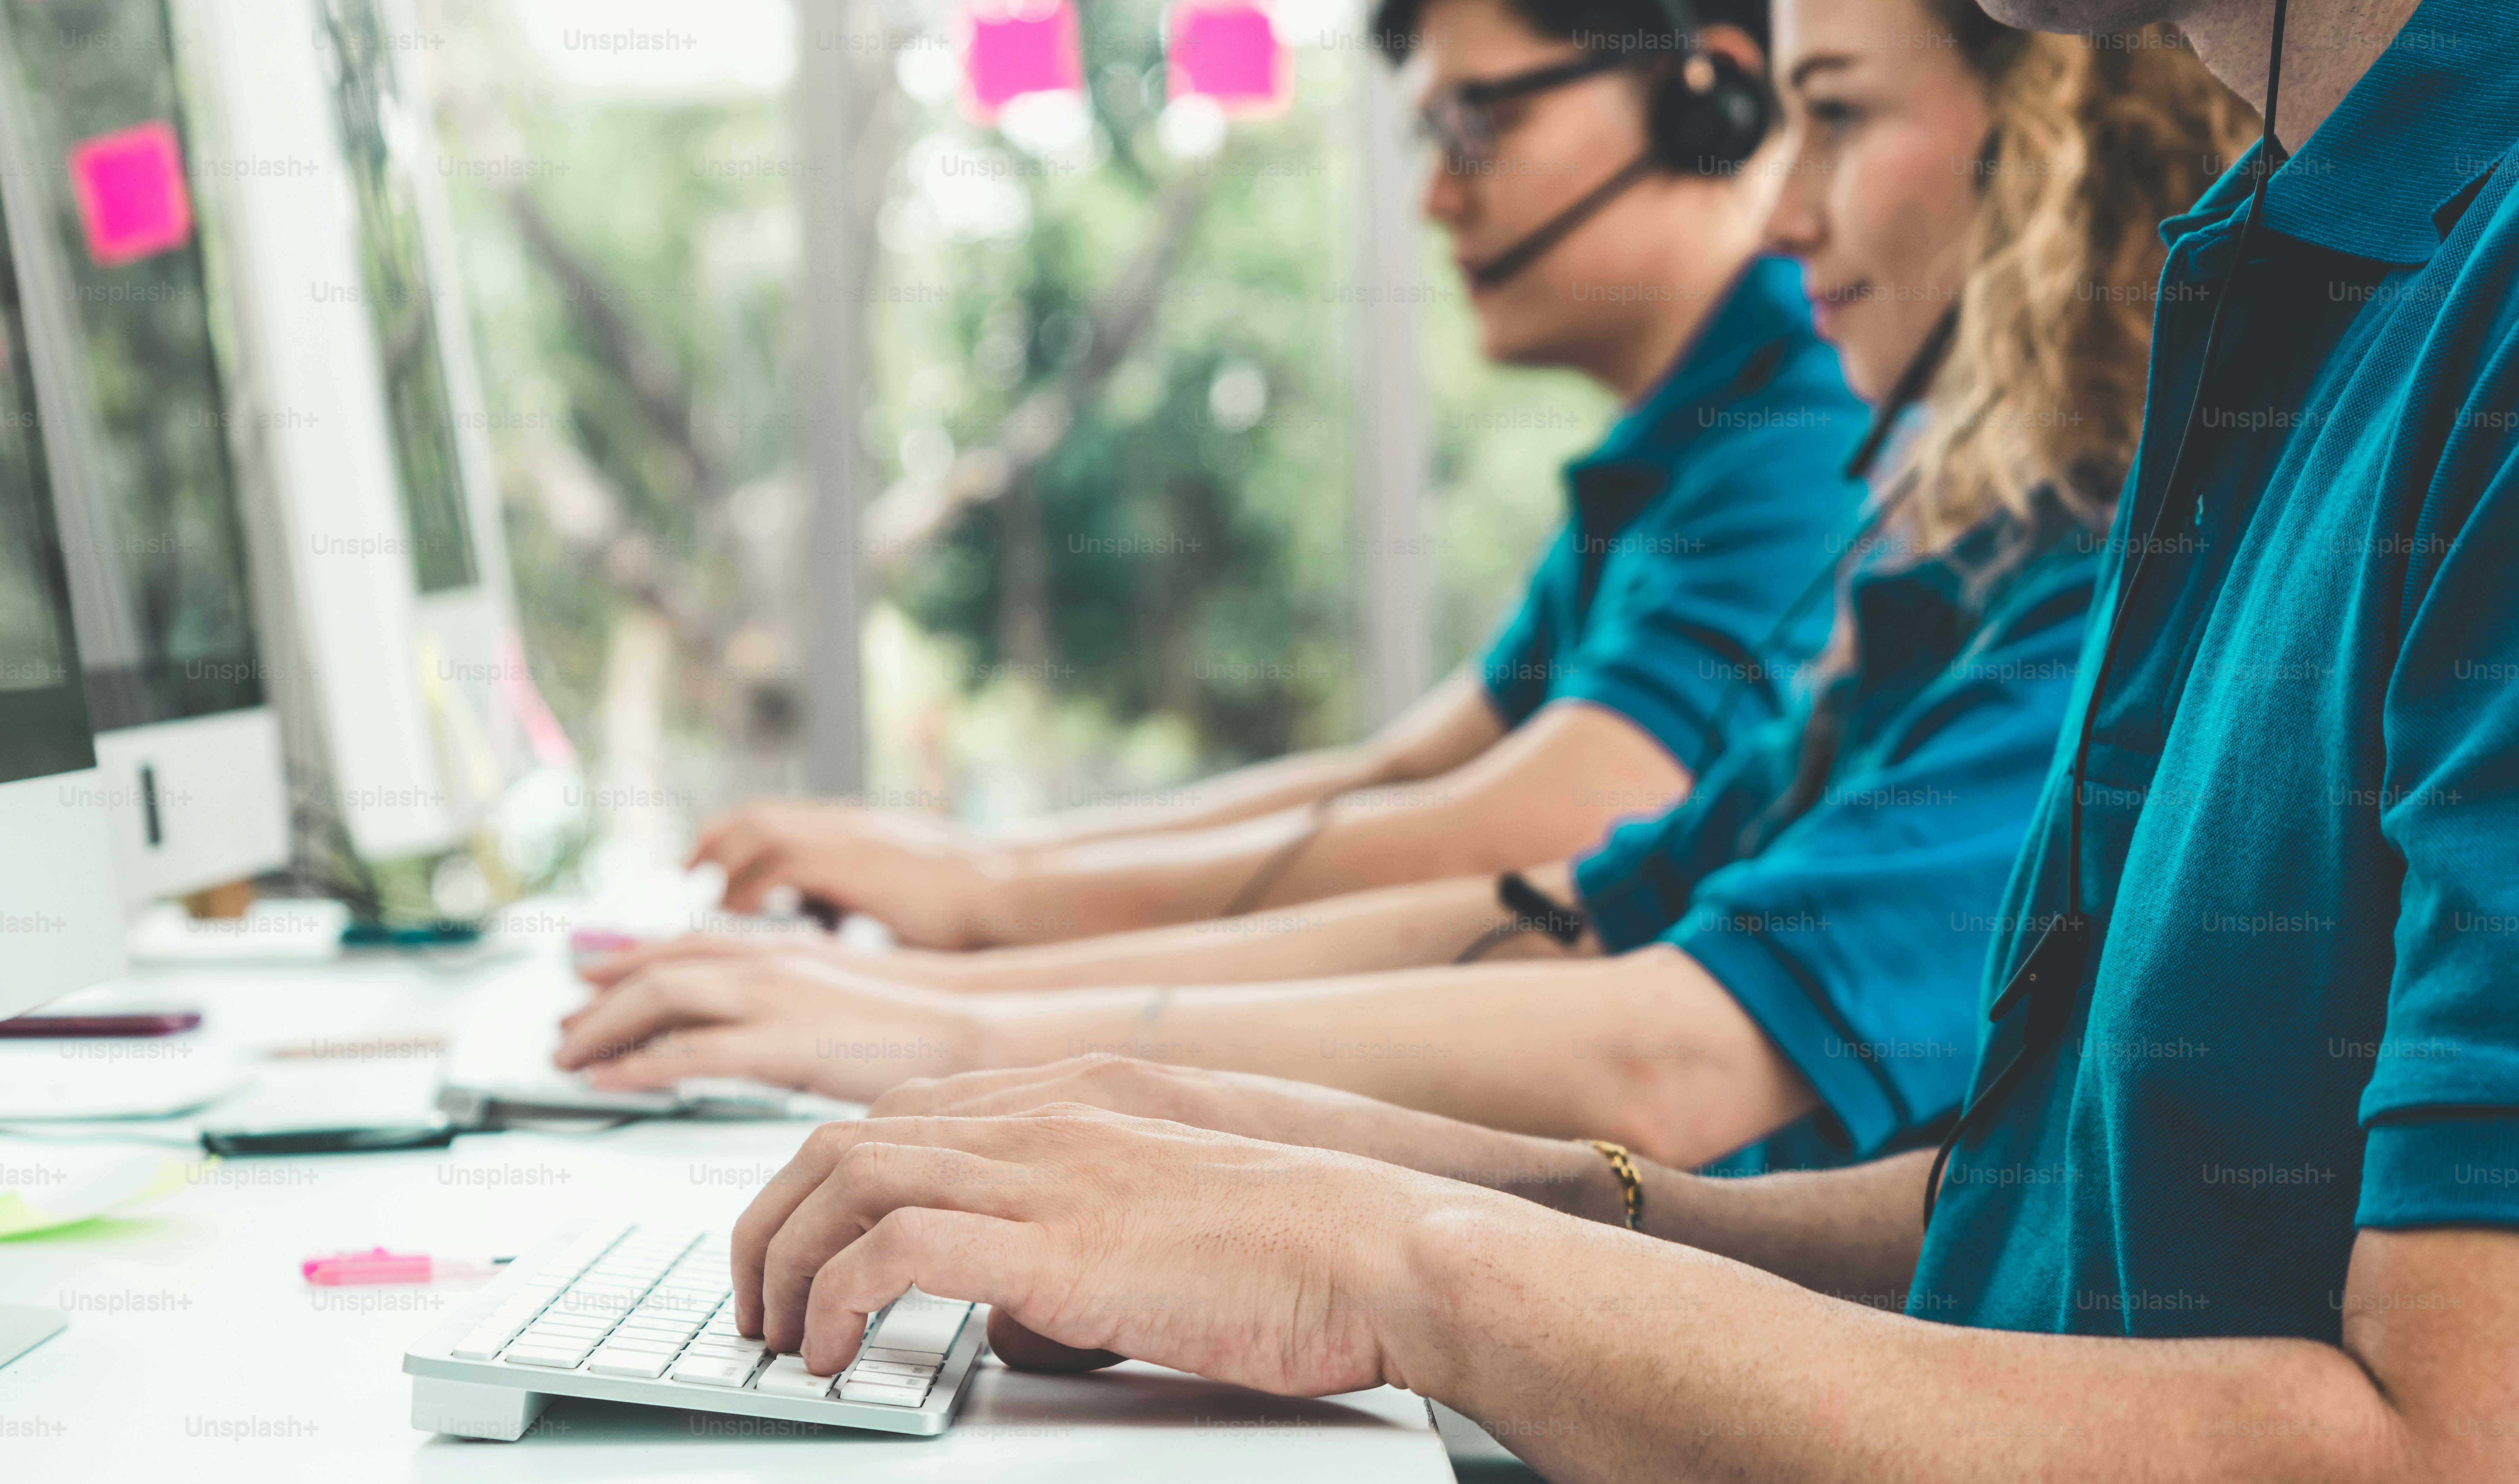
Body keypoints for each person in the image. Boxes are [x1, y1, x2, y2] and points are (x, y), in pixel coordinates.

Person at [719, 0, 2519, 1484]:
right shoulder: (2305, 299)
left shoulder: (2458, 337)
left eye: (1832, 119)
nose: (1778, 213)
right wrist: (1337, 1171)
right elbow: (2059, 1242)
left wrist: (1390, 1257)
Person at [557, 6, 2246, 1181]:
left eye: (1476, 122)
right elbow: (1506, 861)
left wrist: (971, 996)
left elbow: (1630, 1004)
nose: (1787, 210)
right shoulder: (1933, 560)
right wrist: (962, 960)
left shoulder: (1849, 460)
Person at [686, 0, 1871, 951]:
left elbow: (1541, 827)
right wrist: (975, 868)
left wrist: (998, 908)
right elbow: (1405, 772)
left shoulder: (1806, 421)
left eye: (1475, 129)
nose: (1433, 197)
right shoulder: (1678, 446)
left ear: (1705, 98)